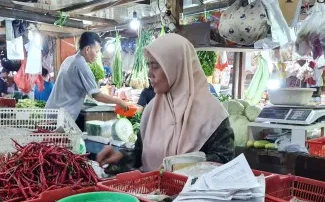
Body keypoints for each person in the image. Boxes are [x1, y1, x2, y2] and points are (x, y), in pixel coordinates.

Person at [97, 33, 235, 172]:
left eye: (156, 66)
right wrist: (121, 156)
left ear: (176, 67)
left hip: (192, 193)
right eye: (149, 65)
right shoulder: (152, 109)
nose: (150, 74)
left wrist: (182, 165)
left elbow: (224, 161)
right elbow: (140, 154)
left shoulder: (212, 113)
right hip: (151, 192)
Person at [46, 32, 129, 130]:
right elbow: (97, 95)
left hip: (51, 112)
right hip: (61, 118)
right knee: (57, 144)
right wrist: (119, 101)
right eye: (97, 51)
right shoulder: (82, 65)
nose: (97, 55)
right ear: (87, 49)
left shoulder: (69, 59)